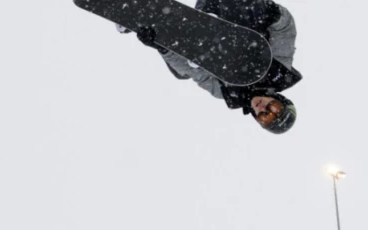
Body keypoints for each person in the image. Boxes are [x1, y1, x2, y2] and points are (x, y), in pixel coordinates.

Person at [127, 0, 300, 134]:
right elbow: (284, 30)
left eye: (264, 117)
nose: (263, 109)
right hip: (241, 11)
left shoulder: (226, 93)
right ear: (280, 100)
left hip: (208, 15)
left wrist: (163, 48)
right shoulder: (279, 70)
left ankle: (151, 22)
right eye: (273, 108)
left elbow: (195, 72)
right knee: (251, 35)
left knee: (181, 73)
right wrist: (273, 13)